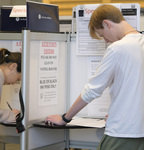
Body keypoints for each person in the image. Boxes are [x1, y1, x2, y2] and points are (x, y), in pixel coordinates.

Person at [46, 4, 144, 150]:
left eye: (102, 34)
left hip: (122, 132)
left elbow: (92, 90)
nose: (105, 40)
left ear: (107, 24)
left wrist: (64, 118)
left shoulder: (117, 49)